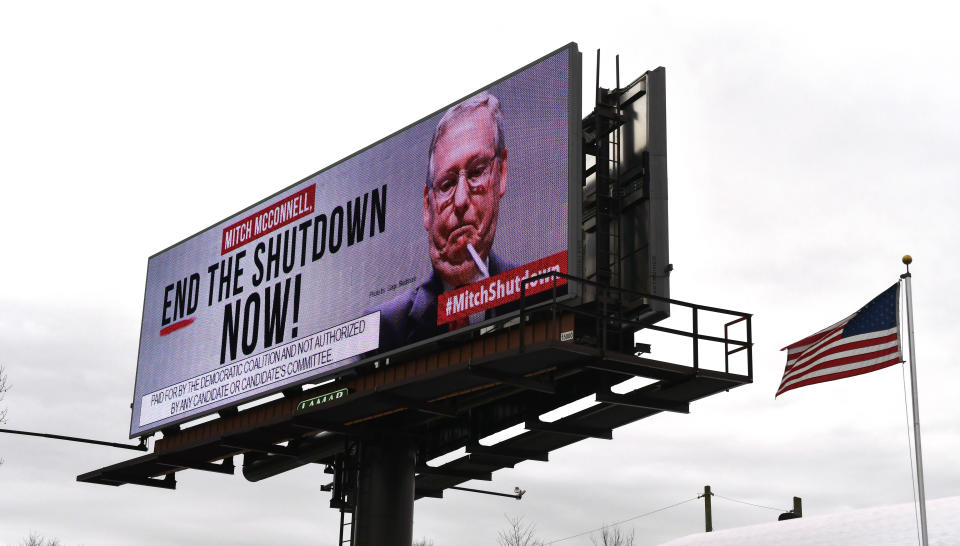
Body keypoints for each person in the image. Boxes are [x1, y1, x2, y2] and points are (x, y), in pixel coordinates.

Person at [376, 91, 515, 352]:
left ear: (501, 174)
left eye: (476, 172)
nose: (461, 200)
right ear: (428, 206)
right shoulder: (384, 328)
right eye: (447, 184)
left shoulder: (538, 289)